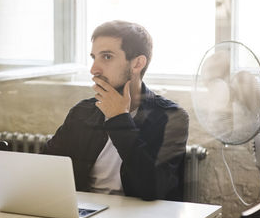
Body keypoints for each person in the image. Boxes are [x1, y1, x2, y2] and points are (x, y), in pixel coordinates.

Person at [42, 20, 189, 201]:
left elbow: (153, 189)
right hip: (85, 215)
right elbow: (45, 170)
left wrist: (119, 118)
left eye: (107, 57)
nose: (94, 69)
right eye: (93, 57)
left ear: (137, 64)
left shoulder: (171, 118)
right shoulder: (82, 112)